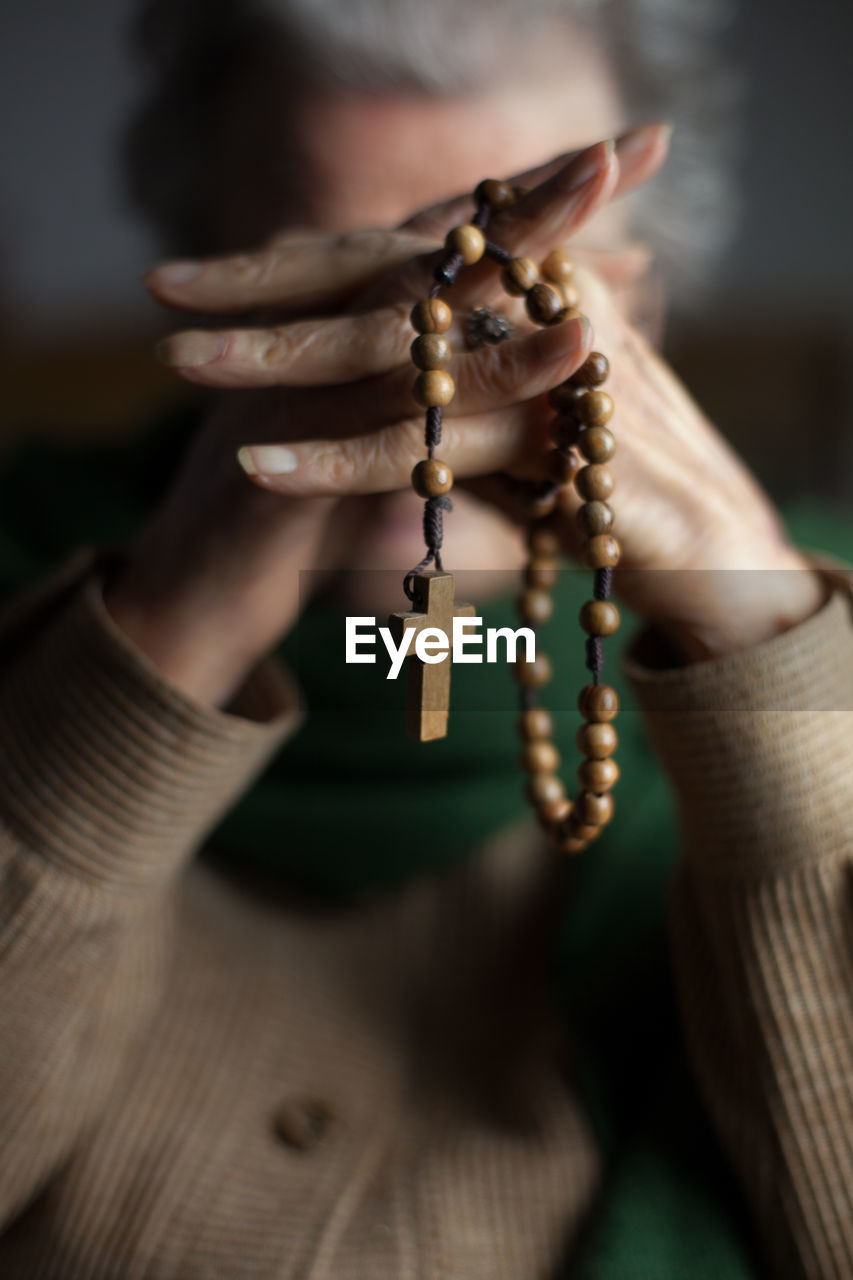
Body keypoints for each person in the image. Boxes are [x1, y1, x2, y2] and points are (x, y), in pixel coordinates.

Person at [0, 1, 851, 1276]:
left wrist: (752, 619)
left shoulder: (807, 625)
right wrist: (176, 615)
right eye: (344, 287)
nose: (427, 366)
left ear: (642, 320)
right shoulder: (32, 573)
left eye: (519, 292)